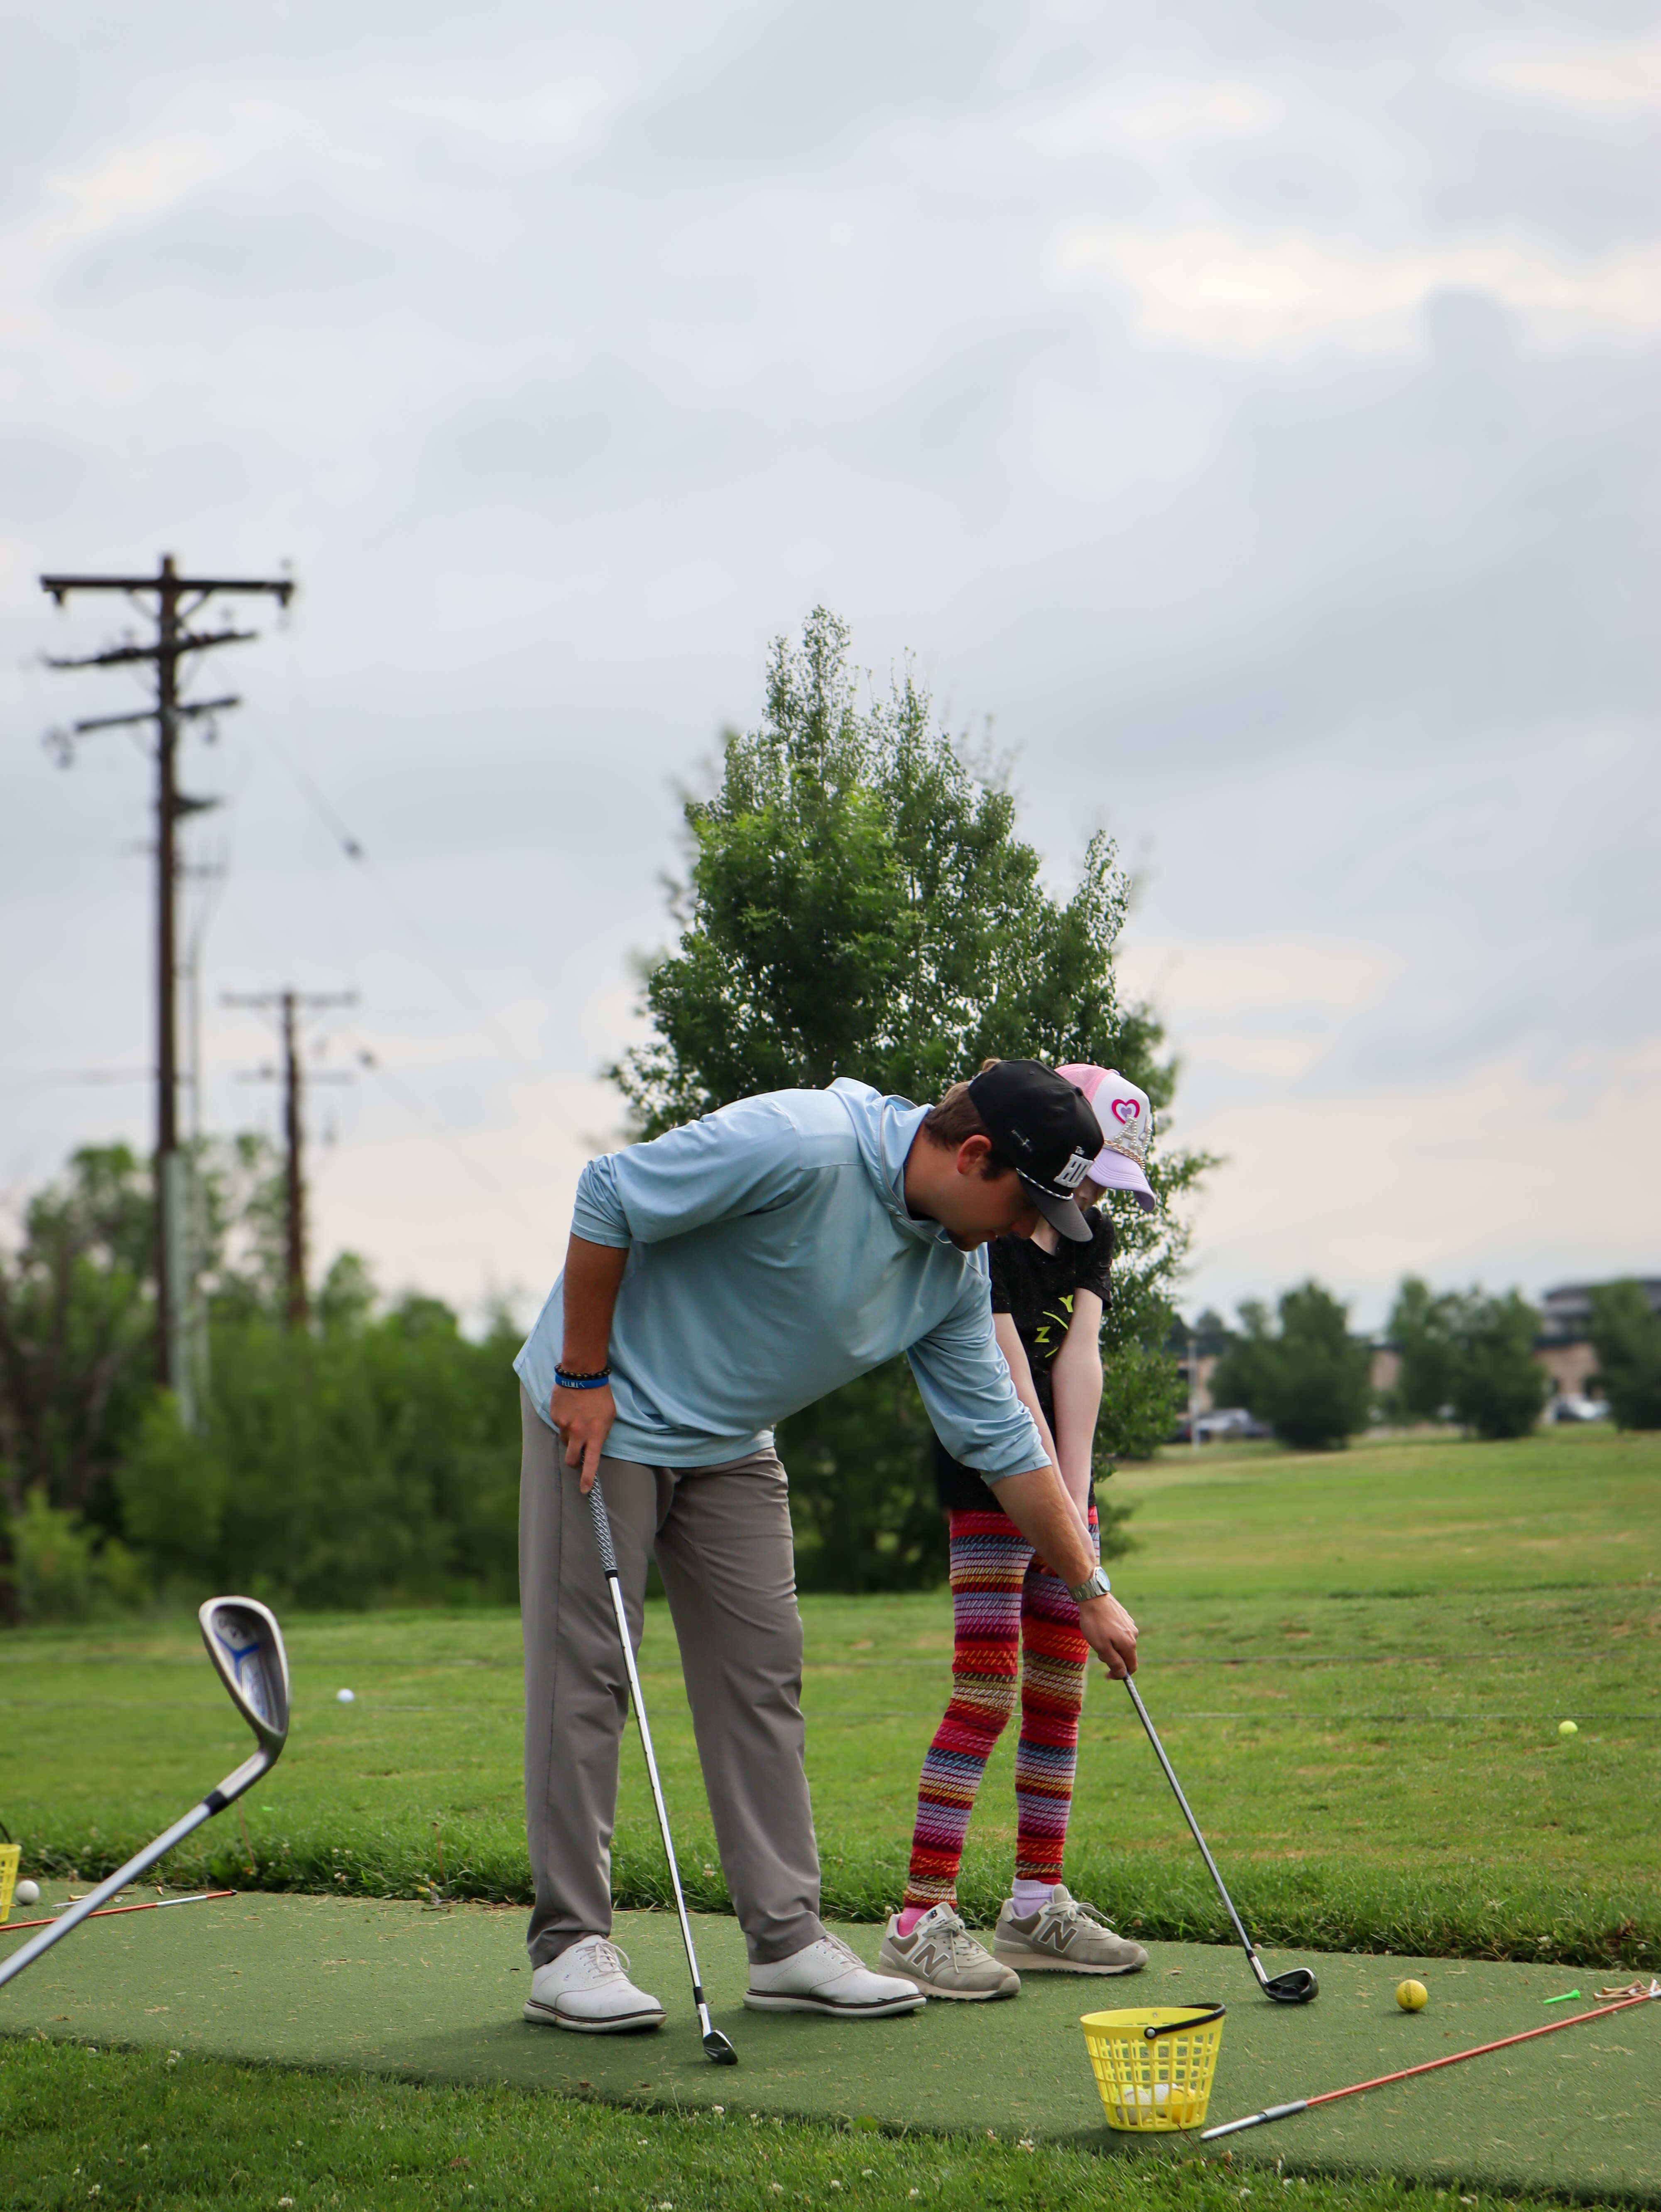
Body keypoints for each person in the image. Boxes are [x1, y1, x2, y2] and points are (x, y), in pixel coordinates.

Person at [512, 1059, 1140, 2034]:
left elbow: (1002, 1438)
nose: (1028, 1233)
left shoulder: (950, 1265)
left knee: (763, 1676)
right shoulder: (801, 1143)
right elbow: (609, 1192)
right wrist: (582, 1368)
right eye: (1024, 1205)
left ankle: (786, 1943)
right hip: (607, 1408)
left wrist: (1088, 1585)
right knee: (591, 1672)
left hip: (732, 1436)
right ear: (972, 1155)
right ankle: (568, 1949)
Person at [878, 1065, 1158, 2001]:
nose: (1089, 1196)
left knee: (1057, 1691)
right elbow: (1006, 1382)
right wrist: (1044, 1504)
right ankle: (921, 1913)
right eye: (1087, 1175)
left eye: (1106, 1184)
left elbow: (1077, 1364)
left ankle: (1035, 1902)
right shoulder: (988, 1232)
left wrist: (1073, 1510)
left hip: (1054, 1488)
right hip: (985, 1475)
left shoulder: (1090, 1238)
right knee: (988, 1686)